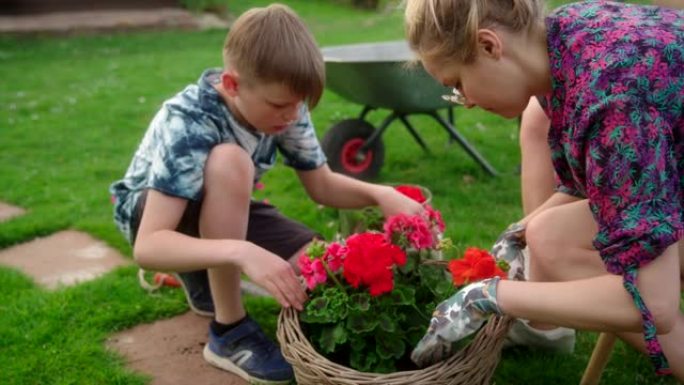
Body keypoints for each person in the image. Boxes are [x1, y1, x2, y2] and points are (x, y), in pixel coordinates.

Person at [109, 4, 423, 384]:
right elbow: (149, 247)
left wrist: (382, 195)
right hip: (155, 217)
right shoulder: (189, 120)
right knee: (231, 161)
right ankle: (229, 331)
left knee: (320, 272)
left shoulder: (286, 104)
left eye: (298, 105)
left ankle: (201, 282)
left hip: (221, 206)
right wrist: (242, 251)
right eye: (279, 105)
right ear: (232, 84)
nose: (291, 116)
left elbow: (322, 186)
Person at [404, 0, 684, 380]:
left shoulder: (612, 99)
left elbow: (657, 304)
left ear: (489, 46)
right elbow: (598, 179)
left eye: (457, 84)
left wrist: (488, 296)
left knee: (636, 290)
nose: (465, 101)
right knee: (546, 236)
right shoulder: (565, 35)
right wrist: (520, 231)